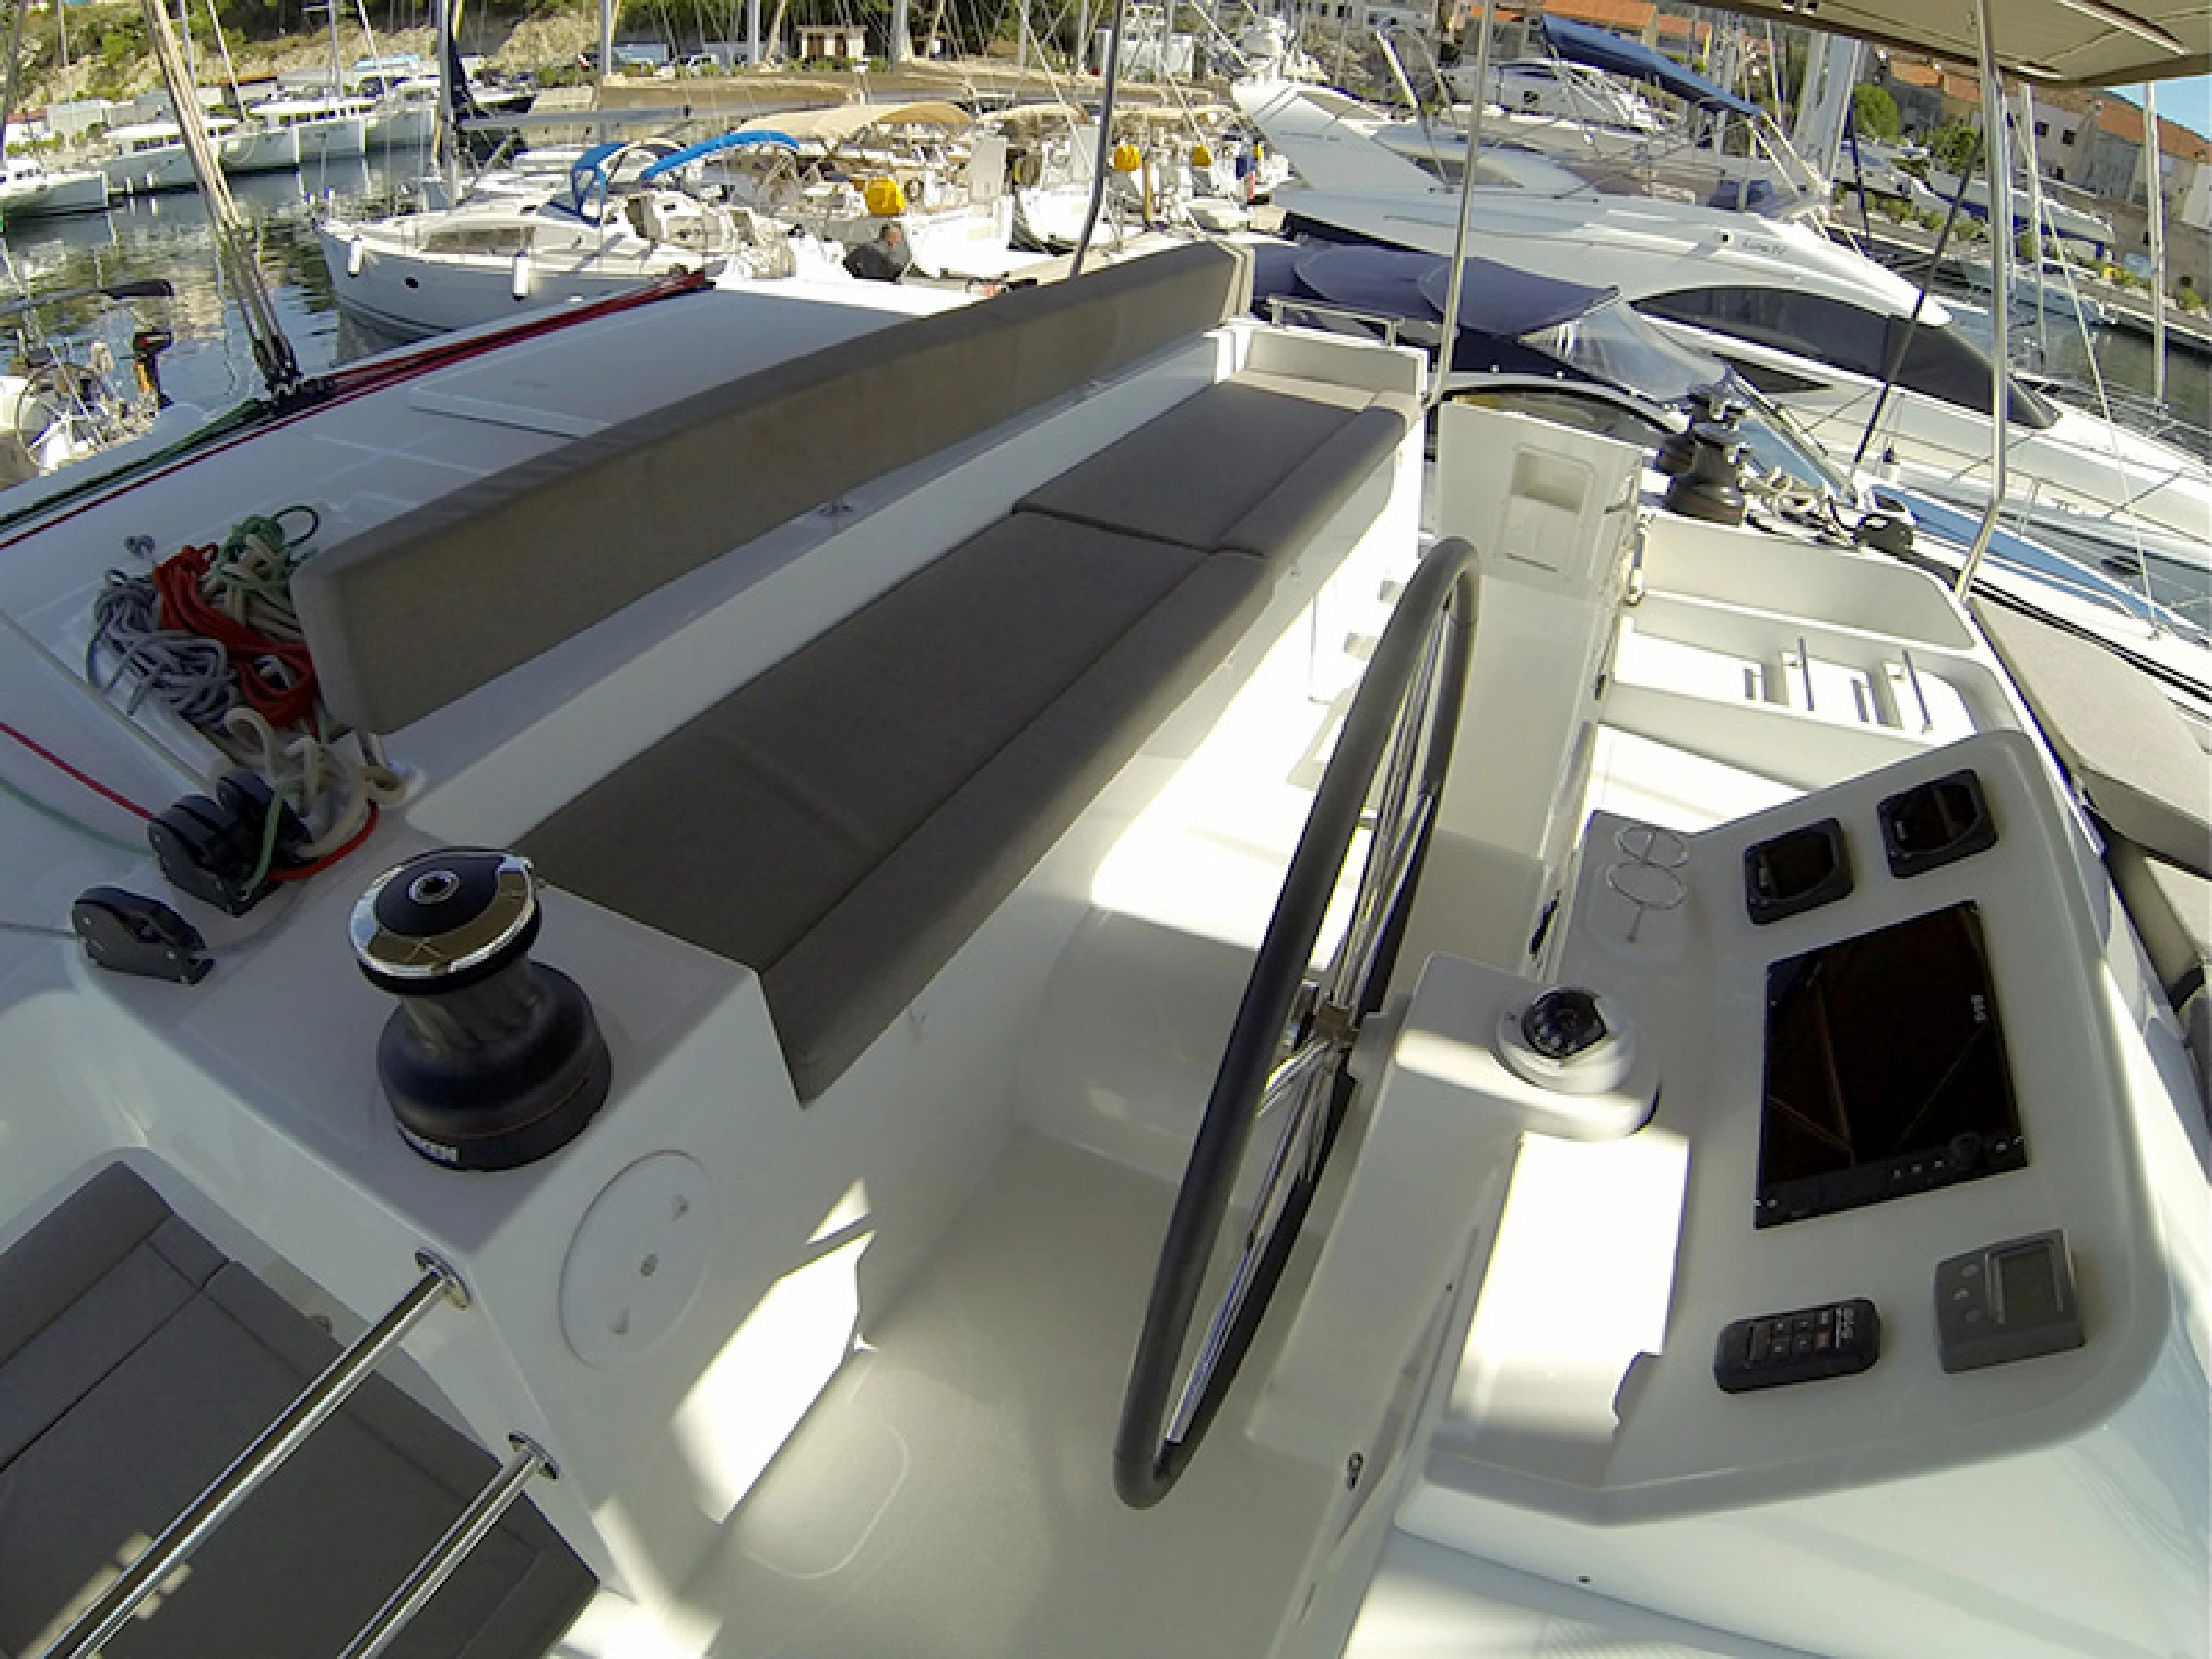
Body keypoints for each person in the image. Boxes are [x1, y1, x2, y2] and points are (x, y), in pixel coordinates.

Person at [844, 223, 912, 283]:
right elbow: (895, 272)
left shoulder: (865, 247)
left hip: (865, 286)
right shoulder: (889, 253)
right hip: (882, 287)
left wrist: (859, 276)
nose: (899, 240)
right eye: (898, 237)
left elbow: (847, 263)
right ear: (890, 237)